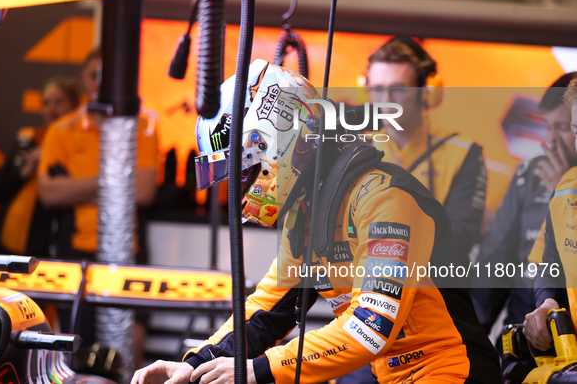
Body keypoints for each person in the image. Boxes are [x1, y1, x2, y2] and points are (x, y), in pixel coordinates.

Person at [131, 59, 501, 384]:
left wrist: (259, 370)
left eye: (246, 172)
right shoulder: (306, 215)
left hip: (454, 372)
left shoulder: (385, 197)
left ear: (279, 144)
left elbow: (368, 328)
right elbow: (266, 311)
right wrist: (197, 363)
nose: (240, 190)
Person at [36, 49, 158, 368]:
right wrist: (118, 183)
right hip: (74, 251)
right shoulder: (61, 129)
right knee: (74, 349)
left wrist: (77, 189)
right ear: (83, 79)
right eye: (94, 74)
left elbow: (143, 191)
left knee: (130, 345)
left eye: (109, 75)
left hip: (129, 252)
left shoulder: (143, 126)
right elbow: (48, 194)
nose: (101, 82)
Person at [469, 73, 577, 367]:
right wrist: (471, 346)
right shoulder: (529, 176)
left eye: (564, 128)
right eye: (548, 127)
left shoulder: (566, 185)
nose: (553, 140)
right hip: (525, 336)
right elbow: (493, 266)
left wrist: (563, 194)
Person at [364, 36, 487, 268]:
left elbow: (458, 242)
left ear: (426, 92)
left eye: (398, 89)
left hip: (434, 293)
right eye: (377, 89)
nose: (386, 100)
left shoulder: (463, 152)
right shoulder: (356, 149)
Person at [0, 76, 81, 255]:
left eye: (59, 102)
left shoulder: (80, 145)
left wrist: (50, 158)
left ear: (75, 105)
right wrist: (23, 174)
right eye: (46, 103)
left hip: (47, 247)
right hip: (3, 242)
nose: (51, 109)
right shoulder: (27, 138)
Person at [523, 77, 577, 352]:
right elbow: (550, 263)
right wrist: (548, 302)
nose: (552, 139)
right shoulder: (564, 188)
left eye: (563, 128)